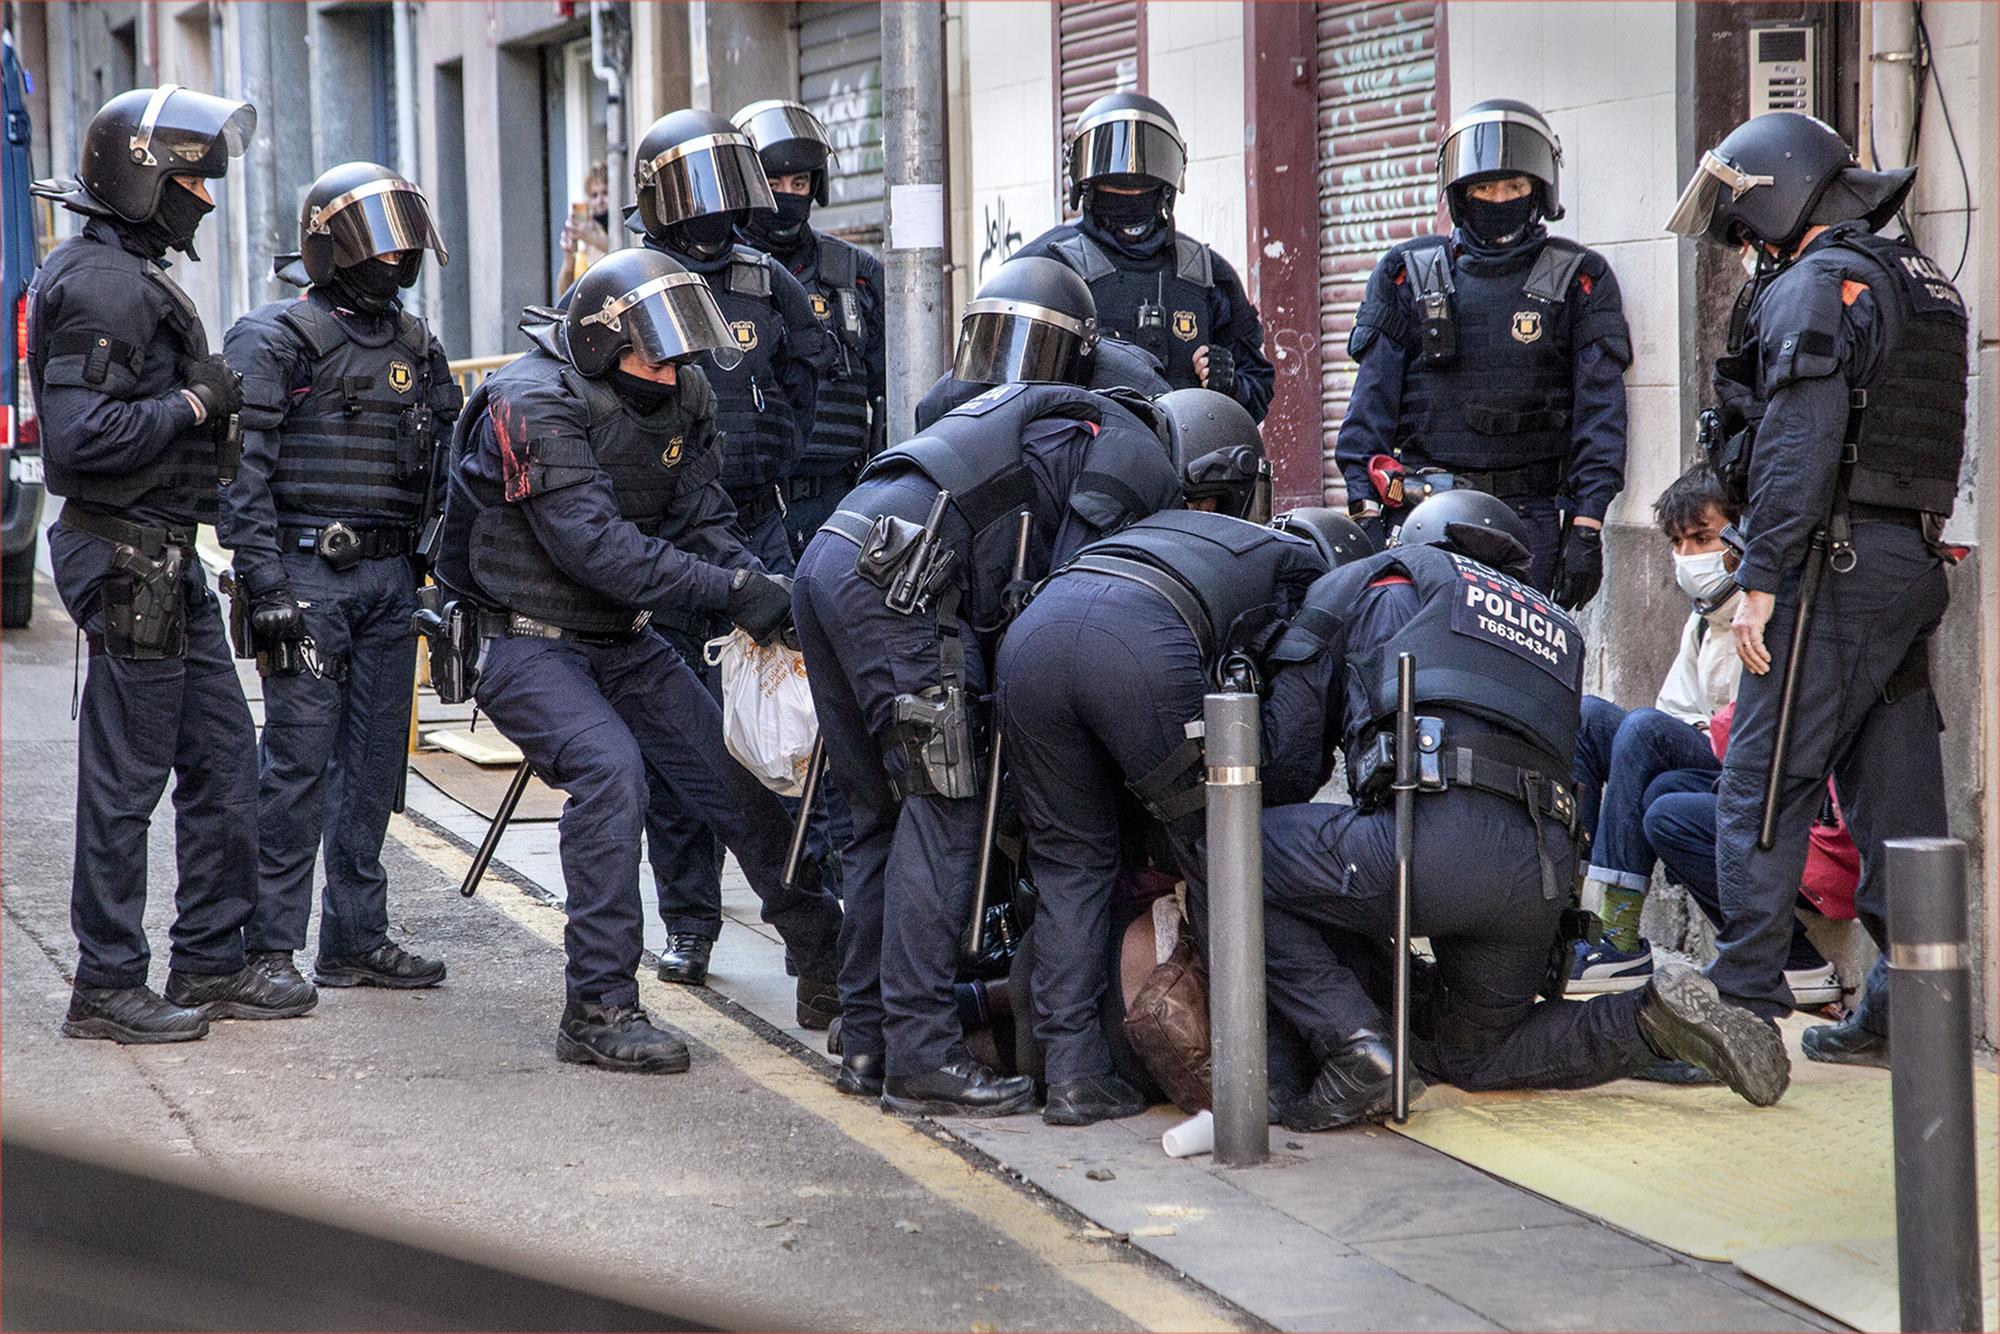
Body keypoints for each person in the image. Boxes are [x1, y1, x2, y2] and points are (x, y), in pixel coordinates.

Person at [1255, 491, 1790, 1130]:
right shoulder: (1552, 628)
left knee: (1225, 853)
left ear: (1417, 537)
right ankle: (1647, 1019)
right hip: (1541, 871)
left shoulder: (1386, 582)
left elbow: (1285, 758)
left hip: (1432, 840)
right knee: (1480, 1052)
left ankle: (1355, 1047)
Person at [433, 248, 844, 1072]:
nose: (665, 374)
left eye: (676, 357)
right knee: (611, 771)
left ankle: (831, 964)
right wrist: (731, 589)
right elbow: (598, 550)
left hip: (622, 638)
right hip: (524, 641)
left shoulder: (685, 392)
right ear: (596, 344)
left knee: (733, 776)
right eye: (649, 357)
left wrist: (761, 593)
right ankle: (598, 1006)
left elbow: (701, 518)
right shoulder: (527, 401)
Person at [791, 257, 1183, 1115]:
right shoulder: (1130, 443)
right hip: (904, 580)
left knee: (877, 819)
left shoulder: (997, 406)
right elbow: (1077, 604)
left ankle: (868, 1043)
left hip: (832, 554)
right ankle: (924, 1057)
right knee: (948, 809)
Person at [1664, 111, 1965, 1069]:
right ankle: (1911, 1008)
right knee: (1896, 789)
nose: (1747, 245)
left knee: (1762, 780)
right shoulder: (1916, 283)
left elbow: (1795, 450)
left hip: (1826, 566)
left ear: (1785, 189)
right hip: (1903, 566)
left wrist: (1759, 580)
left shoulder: (1814, 289)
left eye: (1749, 224)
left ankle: (1742, 1004)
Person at [29, 86, 318, 1042]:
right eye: (190, 179)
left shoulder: (128, 269)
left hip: (163, 554)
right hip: (124, 552)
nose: (202, 196)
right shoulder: (104, 284)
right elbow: (82, 434)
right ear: (143, 180)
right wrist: (196, 407)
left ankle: (207, 960)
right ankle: (107, 983)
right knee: (126, 782)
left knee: (225, 762)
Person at [995, 390, 1327, 1124]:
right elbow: (1293, 753)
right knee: (1219, 849)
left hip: (1031, 643)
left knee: (1071, 867)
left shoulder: (1142, 529)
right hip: (1137, 648)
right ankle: (1260, 1069)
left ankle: (1073, 1076)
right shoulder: (1296, 560)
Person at [218, 163, 458, 997]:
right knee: (296, 765)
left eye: (403, 245)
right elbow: (240, 475)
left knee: (373, 766)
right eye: (379, 244)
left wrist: (444, 579)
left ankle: (354, 939)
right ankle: (267, 951)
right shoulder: (275, 336)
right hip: (307, 575)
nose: (395, 260)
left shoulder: (418, 343)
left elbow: (445, 472)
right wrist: (265, 585)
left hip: (393, 578)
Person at [615, 108, 836, 991]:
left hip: (756, 523)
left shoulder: (767, 280)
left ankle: (809, 923)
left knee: (784, 733)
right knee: (681, 746)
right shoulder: (628, 281)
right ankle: (690, 923)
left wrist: (768, 461)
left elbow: (810, 373)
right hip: (664, 544)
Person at [1334, 99, 1630, 606]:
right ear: (1461, 195)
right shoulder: (1408, 271)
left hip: (1529, 520)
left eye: (1514, 187)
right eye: (1484, 188)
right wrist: (1365, 510)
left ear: (1539, 191)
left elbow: (1601, 414)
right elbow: (1369, 408)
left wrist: (1585, 528)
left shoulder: (1580, 277)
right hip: (1428, 512)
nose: (1499, 199)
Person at [1565, 464, 1744, 991]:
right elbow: (1676, 713)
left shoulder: (1761, 608)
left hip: (1747, 769)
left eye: (1704, 539)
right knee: (1589, 717)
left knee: (1641, 730)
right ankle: (1566, 918)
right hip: (1702, 753)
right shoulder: (1705, 615)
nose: (1689, 557)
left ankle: (1618, 937)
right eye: (1679, 542)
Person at [1014, 93, 1272, 420]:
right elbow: (1003, 391)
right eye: (1115, 187)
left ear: (1165, 189)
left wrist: (1229, 387)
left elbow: (1258, 388)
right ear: (1086, 187)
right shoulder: (1045, 268)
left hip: (1185, 463)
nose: (1129, 194)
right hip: (1081, 461)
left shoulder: (1205, 275)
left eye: (1141, 187)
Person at [730, 99, 886, 548]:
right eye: (773, 181)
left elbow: (892, 385)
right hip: (740, 512)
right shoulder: (711, 273)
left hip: (839, 501)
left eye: (799, 182)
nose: (787, 194)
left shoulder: (854, 273)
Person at [1642, 701, 1853, 1013]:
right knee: (1664, 788)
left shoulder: (1801, 654)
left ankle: (1792, 960)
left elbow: (1736, 733)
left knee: (1668, 817)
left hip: (1825, 847)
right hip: (1797, 812)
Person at [558, 159, 611, 292]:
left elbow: (620, 251)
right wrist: (569, 259)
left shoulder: (619, 226)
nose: (600, 201)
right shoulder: (586, 226)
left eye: (605, 193)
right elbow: (563, 292)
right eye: (594, 195)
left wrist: (591, 237)